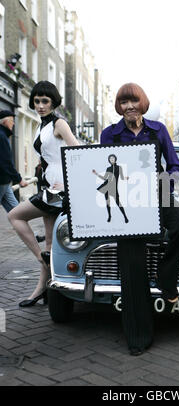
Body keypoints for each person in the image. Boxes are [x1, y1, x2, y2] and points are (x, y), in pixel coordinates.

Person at [100, 83, 179, 355]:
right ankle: (138, 337)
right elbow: (103, 165)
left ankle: (166, 275)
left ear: (143, 103)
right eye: (124, 102)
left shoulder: (158, 130)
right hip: (127, 203)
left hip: (159, 193)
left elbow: (175, 166)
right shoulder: (110, 134)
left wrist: (168, 180)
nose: (129, 106)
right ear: (119, 107)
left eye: (134, 101)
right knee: (132, 268)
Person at [8, 81, 79, 307]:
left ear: (53, 102)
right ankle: (42, 289)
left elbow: (77, 151)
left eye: (45, 101)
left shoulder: (59, 123)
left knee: (15, 216)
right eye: (37, 101)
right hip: (49, 187)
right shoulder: (42, 125)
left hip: (59, 190)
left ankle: (43, 260)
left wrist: (66, 179)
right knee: (49, 241)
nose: (40, 105)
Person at [0, 110, 28, 212]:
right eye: (12, 120)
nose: (14, 123)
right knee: (17, 212)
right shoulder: (2, 137)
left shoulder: (3, 135)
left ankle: (21, 226)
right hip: (2, 181)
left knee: (17, 212)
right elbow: (6, 163)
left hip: (5, 181)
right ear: (5, 121)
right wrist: (19, 179)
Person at [92, 154, 129, 223]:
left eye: (113, 158)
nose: (112, 159)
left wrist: (126, 178)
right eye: (110, 159)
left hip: (114, 187)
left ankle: (125, 217)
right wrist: (96, 174)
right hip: (106, 186)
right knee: (108, 202)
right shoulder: (108, 168)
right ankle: (109, 216)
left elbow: (121, 177)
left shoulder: (119, 167)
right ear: (109, 160)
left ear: (115, 159)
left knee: (118, 203)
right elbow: (105, 178)